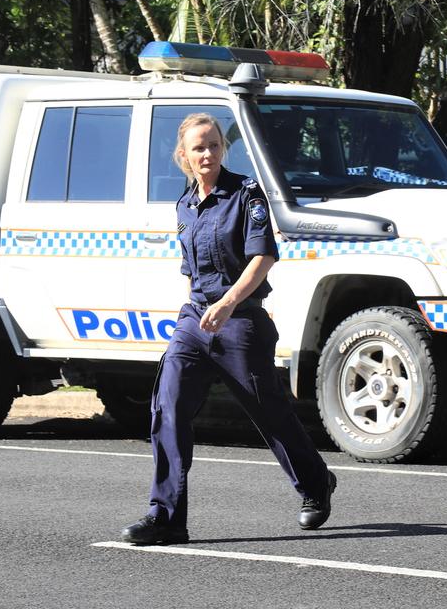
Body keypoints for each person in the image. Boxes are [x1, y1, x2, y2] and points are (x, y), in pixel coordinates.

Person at [121, 113, 337, 545]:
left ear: (224, 149)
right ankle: (166, 517)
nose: (208, 154)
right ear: (183, 155)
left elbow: (263, 257)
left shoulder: (247, 193)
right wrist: (198, 310)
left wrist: (228, 302)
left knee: (269, 412)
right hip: (195, 320)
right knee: (169, 407)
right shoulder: (183, 206)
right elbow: (191, 270)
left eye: (215, 145)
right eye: (198, 147)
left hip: (239, 318)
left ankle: (316, 484)